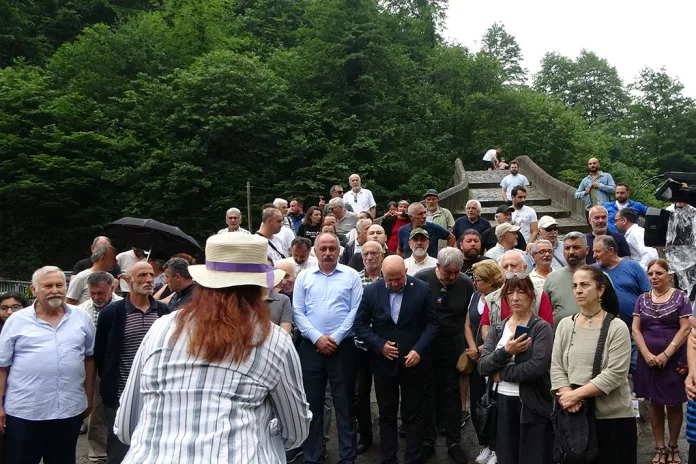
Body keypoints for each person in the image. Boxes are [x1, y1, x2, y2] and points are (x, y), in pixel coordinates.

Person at [114, 233, 310, 463]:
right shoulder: (272, 339)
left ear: (205, 283)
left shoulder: (160, 329)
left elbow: (126, 428)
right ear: (259, 289)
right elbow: (296, 432)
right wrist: (264, 425)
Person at [0, 266, 95, 463]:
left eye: (60, 285)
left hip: (69, 410)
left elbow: (89, 358)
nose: (55, 290)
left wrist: (89, 395)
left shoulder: (81, 317)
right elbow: (2, 365)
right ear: (33, 290)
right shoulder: (17, 320)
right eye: (48, 286)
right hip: (25, 411)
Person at [354, 255, 439, 464]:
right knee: (387, 414)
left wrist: (419, 350)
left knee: (413, 414)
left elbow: (432, 324)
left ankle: (412, 458)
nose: (394, 284)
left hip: (414, 363)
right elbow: (360, 326)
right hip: (384, 364)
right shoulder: (372, 291)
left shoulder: (421, 288)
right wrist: (379, 344)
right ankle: (388, 459)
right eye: (389, 280)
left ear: (405, 272)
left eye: (398, 279)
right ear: (382, 274)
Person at [552, 265, 636, 464]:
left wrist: (576, 395)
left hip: (612, 418)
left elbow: (615, 373)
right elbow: (556, 366)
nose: (578, 290)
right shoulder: (565, 325)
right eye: (574, 286)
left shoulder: (617, 327)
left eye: (584, 285)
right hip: (574, 416)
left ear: (601, 290)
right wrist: (567, 395)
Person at [293, 233, 363, 463]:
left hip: (343, 348)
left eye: (332, 248)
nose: (328, 253)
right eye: (323, 248)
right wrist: (317, 338)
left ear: (339, 251)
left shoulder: (351, 276)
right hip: (311, 348)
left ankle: (348, 457)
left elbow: (356, 310)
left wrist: (335, 337)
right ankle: (313, 456)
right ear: (315, 251)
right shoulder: (303, 277)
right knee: (312, 407)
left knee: (345, 405)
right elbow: (298, 312)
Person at [95, 262, 170, 463]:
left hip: (156, 396)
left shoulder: (164, 312)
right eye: (142, 275)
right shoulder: (111, 313)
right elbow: (101, 354)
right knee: (119, 451)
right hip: (120, 395)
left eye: (151, 275)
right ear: (127, 280)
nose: (148, 280)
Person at [478, 272, 554, 464]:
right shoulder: (497, 328)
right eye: (510, 293)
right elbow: (483, 365)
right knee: (506, 457)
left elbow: (537, 367)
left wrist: (501, 374)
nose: (515, 298)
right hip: (501, 403)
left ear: (532, 295)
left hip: (532, 405)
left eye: (521, 292)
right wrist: (505, 352)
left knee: (533, 457)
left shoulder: (541, 328)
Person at [415, 248, 474, 464]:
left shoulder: (465, 283)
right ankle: (427, 441)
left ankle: (454, 442)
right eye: (448, 273)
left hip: (453, 346)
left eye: (456, 273)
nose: (452, 277)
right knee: (426, 394)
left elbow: (469, 316)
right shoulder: (422, 279)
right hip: (427, 347)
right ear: (437, 266)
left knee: (452, 394)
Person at [632, 259, 689, 464]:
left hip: (673, 359)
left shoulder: (680, 296)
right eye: (650, 273)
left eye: (659, 273)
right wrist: (646, 353)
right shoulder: (642, 298)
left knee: (674, 404)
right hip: (648, 360)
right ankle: (660, 447)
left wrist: (667, 354)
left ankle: (674, 446)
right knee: (654, 403)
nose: (654, 277)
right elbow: (636, 329)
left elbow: (685, 328)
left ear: (669, 275)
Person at [79, 272, 122, 464]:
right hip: (91, 361)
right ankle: (97, 454)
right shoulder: (82, 310)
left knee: (117, 407)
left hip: (116, 361)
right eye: (92, 293)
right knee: (95, 408)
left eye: (100, 293)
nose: (96, 297)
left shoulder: (123, 306)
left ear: (112, 288)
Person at [465, 260, 505, 464]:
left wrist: (481, 349)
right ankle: (486, 445)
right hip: (476, 358)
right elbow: (468, 323)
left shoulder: (501, 299)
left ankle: (498, 447)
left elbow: (499, 330)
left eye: (478, 280)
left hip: (493, 358)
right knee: (478, 404)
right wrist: (473, 348)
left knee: (494, 405)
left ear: (490, 281)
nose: (474, 282)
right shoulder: (474, 296)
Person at [353, 240, 386, 454]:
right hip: (360, 346)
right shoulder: (354, 279)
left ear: (382, 255)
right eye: (366, 253)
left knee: (386, 394)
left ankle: (388, 434)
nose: (370, 257)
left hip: (385, 346)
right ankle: (365, 435)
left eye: (374, 253)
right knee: (359, 394)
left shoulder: (390, 276)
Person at [480, 251, 555, 338]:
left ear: (525, 268)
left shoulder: (539, 295)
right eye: (505, 267)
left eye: (513, 266)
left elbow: (547, 329)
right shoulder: (491, 299)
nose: (509, 270)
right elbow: (486, 331)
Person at [593, 235, 651, 329]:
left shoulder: (633, 266)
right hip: (604, 328)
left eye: (598, 251)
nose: (594, 255)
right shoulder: (593, 271)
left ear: (611, 251)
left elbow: (647, 294)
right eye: (594, 251)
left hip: (635, 328)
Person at [543, 231, 587, 328]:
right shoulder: (551, 278)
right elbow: (544, 314)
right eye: (567, 248)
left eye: (576, 247)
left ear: (587, 250)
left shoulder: (600, 276)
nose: (571, 252)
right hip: (559, 339)